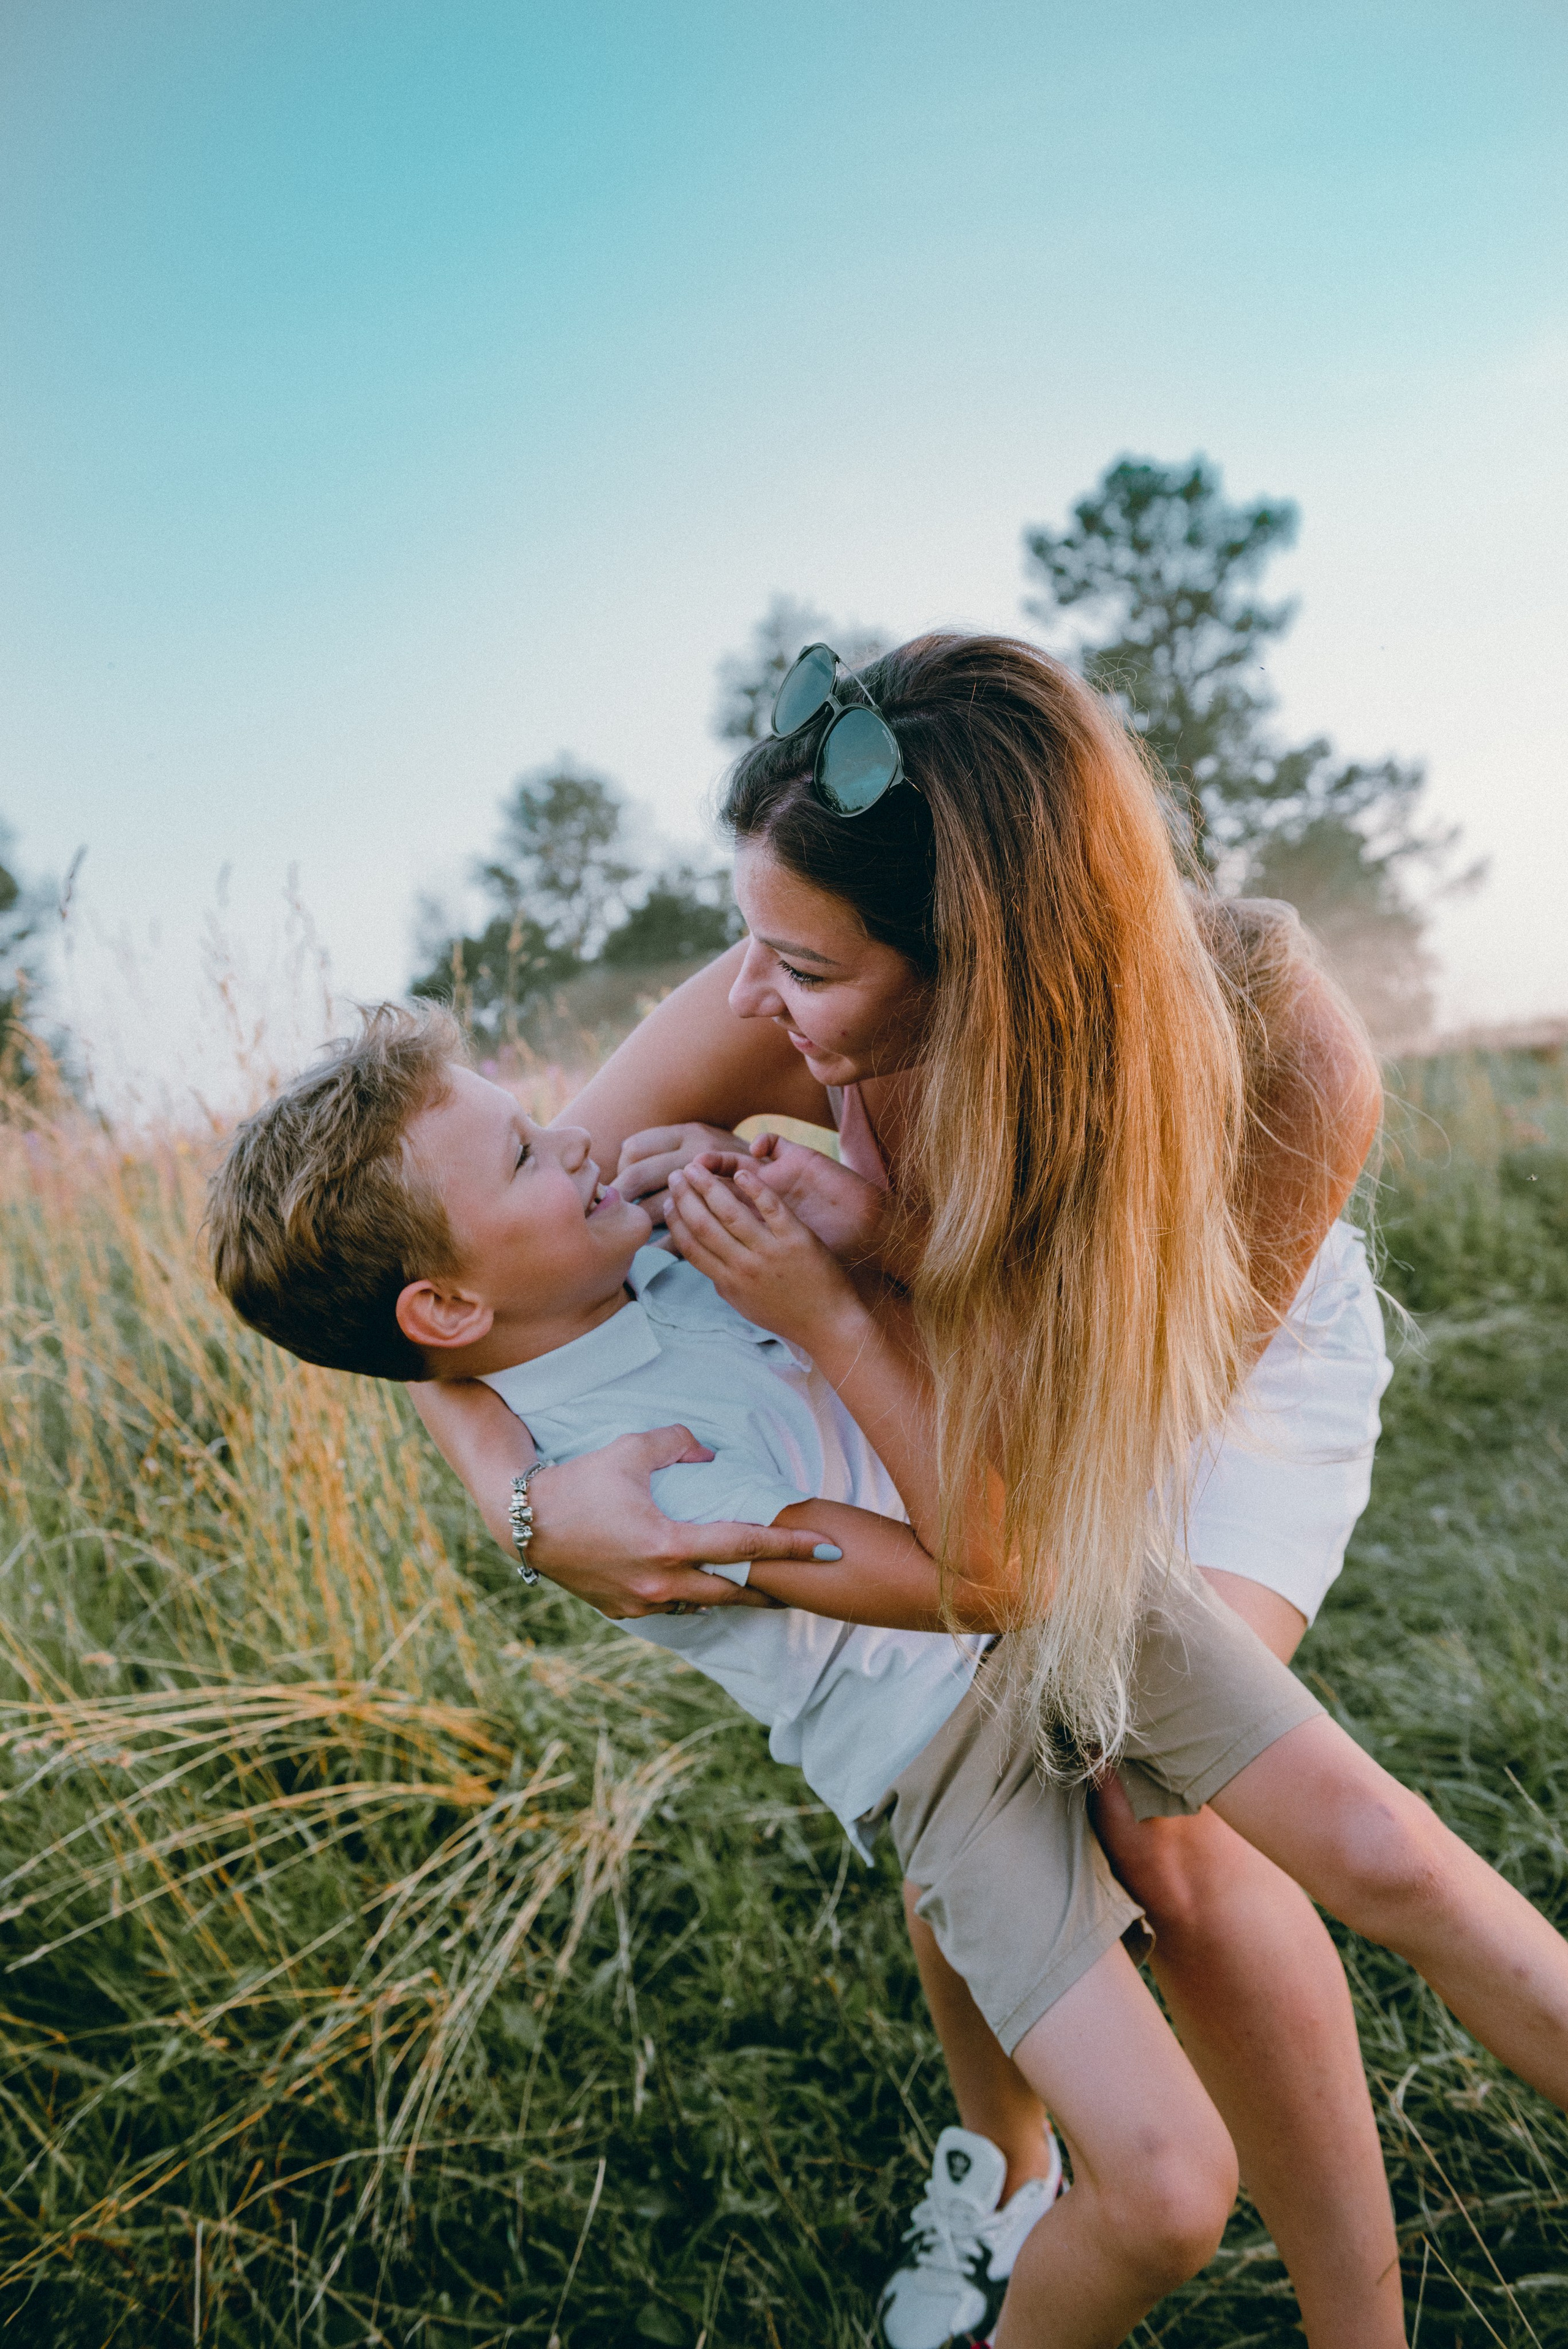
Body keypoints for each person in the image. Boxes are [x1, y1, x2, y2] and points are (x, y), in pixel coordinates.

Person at [208, 1003, 1568, 2349]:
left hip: (1093, 1594)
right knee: (1166, 2198)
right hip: (946, 1747)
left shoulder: (643, 1237)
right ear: (444, 1301)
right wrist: (822, 1300)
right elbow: (982, 1580)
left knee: (1387, 1848)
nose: (578, 1141)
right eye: (522, 1157)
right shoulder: (630, 1487)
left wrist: (807, 1216)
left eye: (538, 1119)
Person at [411, 634, 1406, 2341]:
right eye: (753, 939)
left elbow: (1055, 1514)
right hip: (950, 1343)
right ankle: (1003, 2171)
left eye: (795, 960)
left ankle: (1359, 2322)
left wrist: (871, 1361)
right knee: (967, 1730)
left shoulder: (1281, 1066)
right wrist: (526, 1503)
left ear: (971, 964)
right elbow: (457, 1295)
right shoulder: (786, 974)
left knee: (1147, 1794)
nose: (745, 992)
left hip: (1192, 1365)